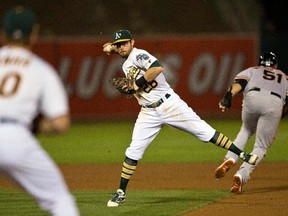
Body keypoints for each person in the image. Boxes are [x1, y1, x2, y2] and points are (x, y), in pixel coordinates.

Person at [102, 29, 258, 207]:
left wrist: (136, 84)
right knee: (133, 150)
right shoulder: (125, 60)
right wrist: (111, 47)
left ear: (133, 42)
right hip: (148, 112)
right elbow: (120, 51)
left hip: (169, 105)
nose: (122, 47)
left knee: (204, 131)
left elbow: (157, 68)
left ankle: (242, 154)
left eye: (124, 43)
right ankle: (121, 192)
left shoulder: (139, 55)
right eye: (118, 45)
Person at [0, 6, 80, 216]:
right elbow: (60, 123)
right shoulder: (40, 69)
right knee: (59, 200)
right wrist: (35, 124)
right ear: (33, 34)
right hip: (15, 136)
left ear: (3, 33)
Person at [214, 52, 288, 193]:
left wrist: (228, 96)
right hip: (275, 103)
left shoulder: (252, 70)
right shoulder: (284, 77)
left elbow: (239, 84)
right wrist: (277, 117)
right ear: (275, 65)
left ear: (260, 63)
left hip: (253, 97)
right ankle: (242, 175)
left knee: (246, 130)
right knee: (261, 146)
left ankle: (231, 157)